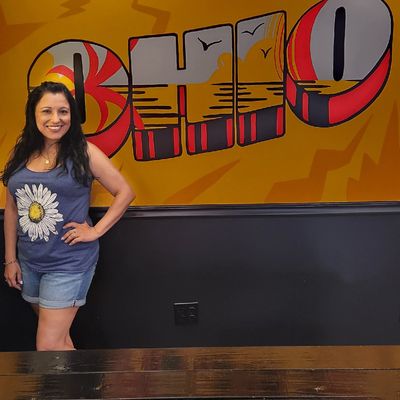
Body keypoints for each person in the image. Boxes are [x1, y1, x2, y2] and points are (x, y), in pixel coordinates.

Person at [1, 81, 135, 351]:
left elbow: (125, 192)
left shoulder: (84, 152)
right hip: (30, 263)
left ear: (72, 115)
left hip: (68, 264)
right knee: (59, 341)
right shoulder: (22, 153)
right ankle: (77, 380)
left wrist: (95, 231)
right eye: (47, 111)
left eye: (63, 111)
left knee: (48, 346)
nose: (56, 119)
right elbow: (13, 208)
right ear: (33, 114)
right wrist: (11, 259)